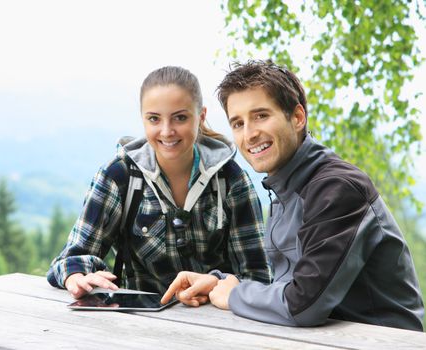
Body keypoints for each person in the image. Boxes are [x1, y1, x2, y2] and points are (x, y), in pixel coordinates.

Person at [161, 60, 424, 331]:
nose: (249, 134)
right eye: (238, 123)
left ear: (297, 118)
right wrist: (219, 283)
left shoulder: (337, 189)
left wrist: (236, 294)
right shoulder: (284, 192)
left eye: (261, 115)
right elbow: (285, 290)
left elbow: (303, 305)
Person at [47, 66, 271, 299]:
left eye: (180, 117)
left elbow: (258, 277)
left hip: (218, 322)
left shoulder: (231, 179)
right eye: (154, 119)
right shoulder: (120, 176)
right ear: (142, 119)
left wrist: (217, 282)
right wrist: (75, 277)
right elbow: (68, 260)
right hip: (139, 323)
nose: (166, 131)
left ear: (201, 116)